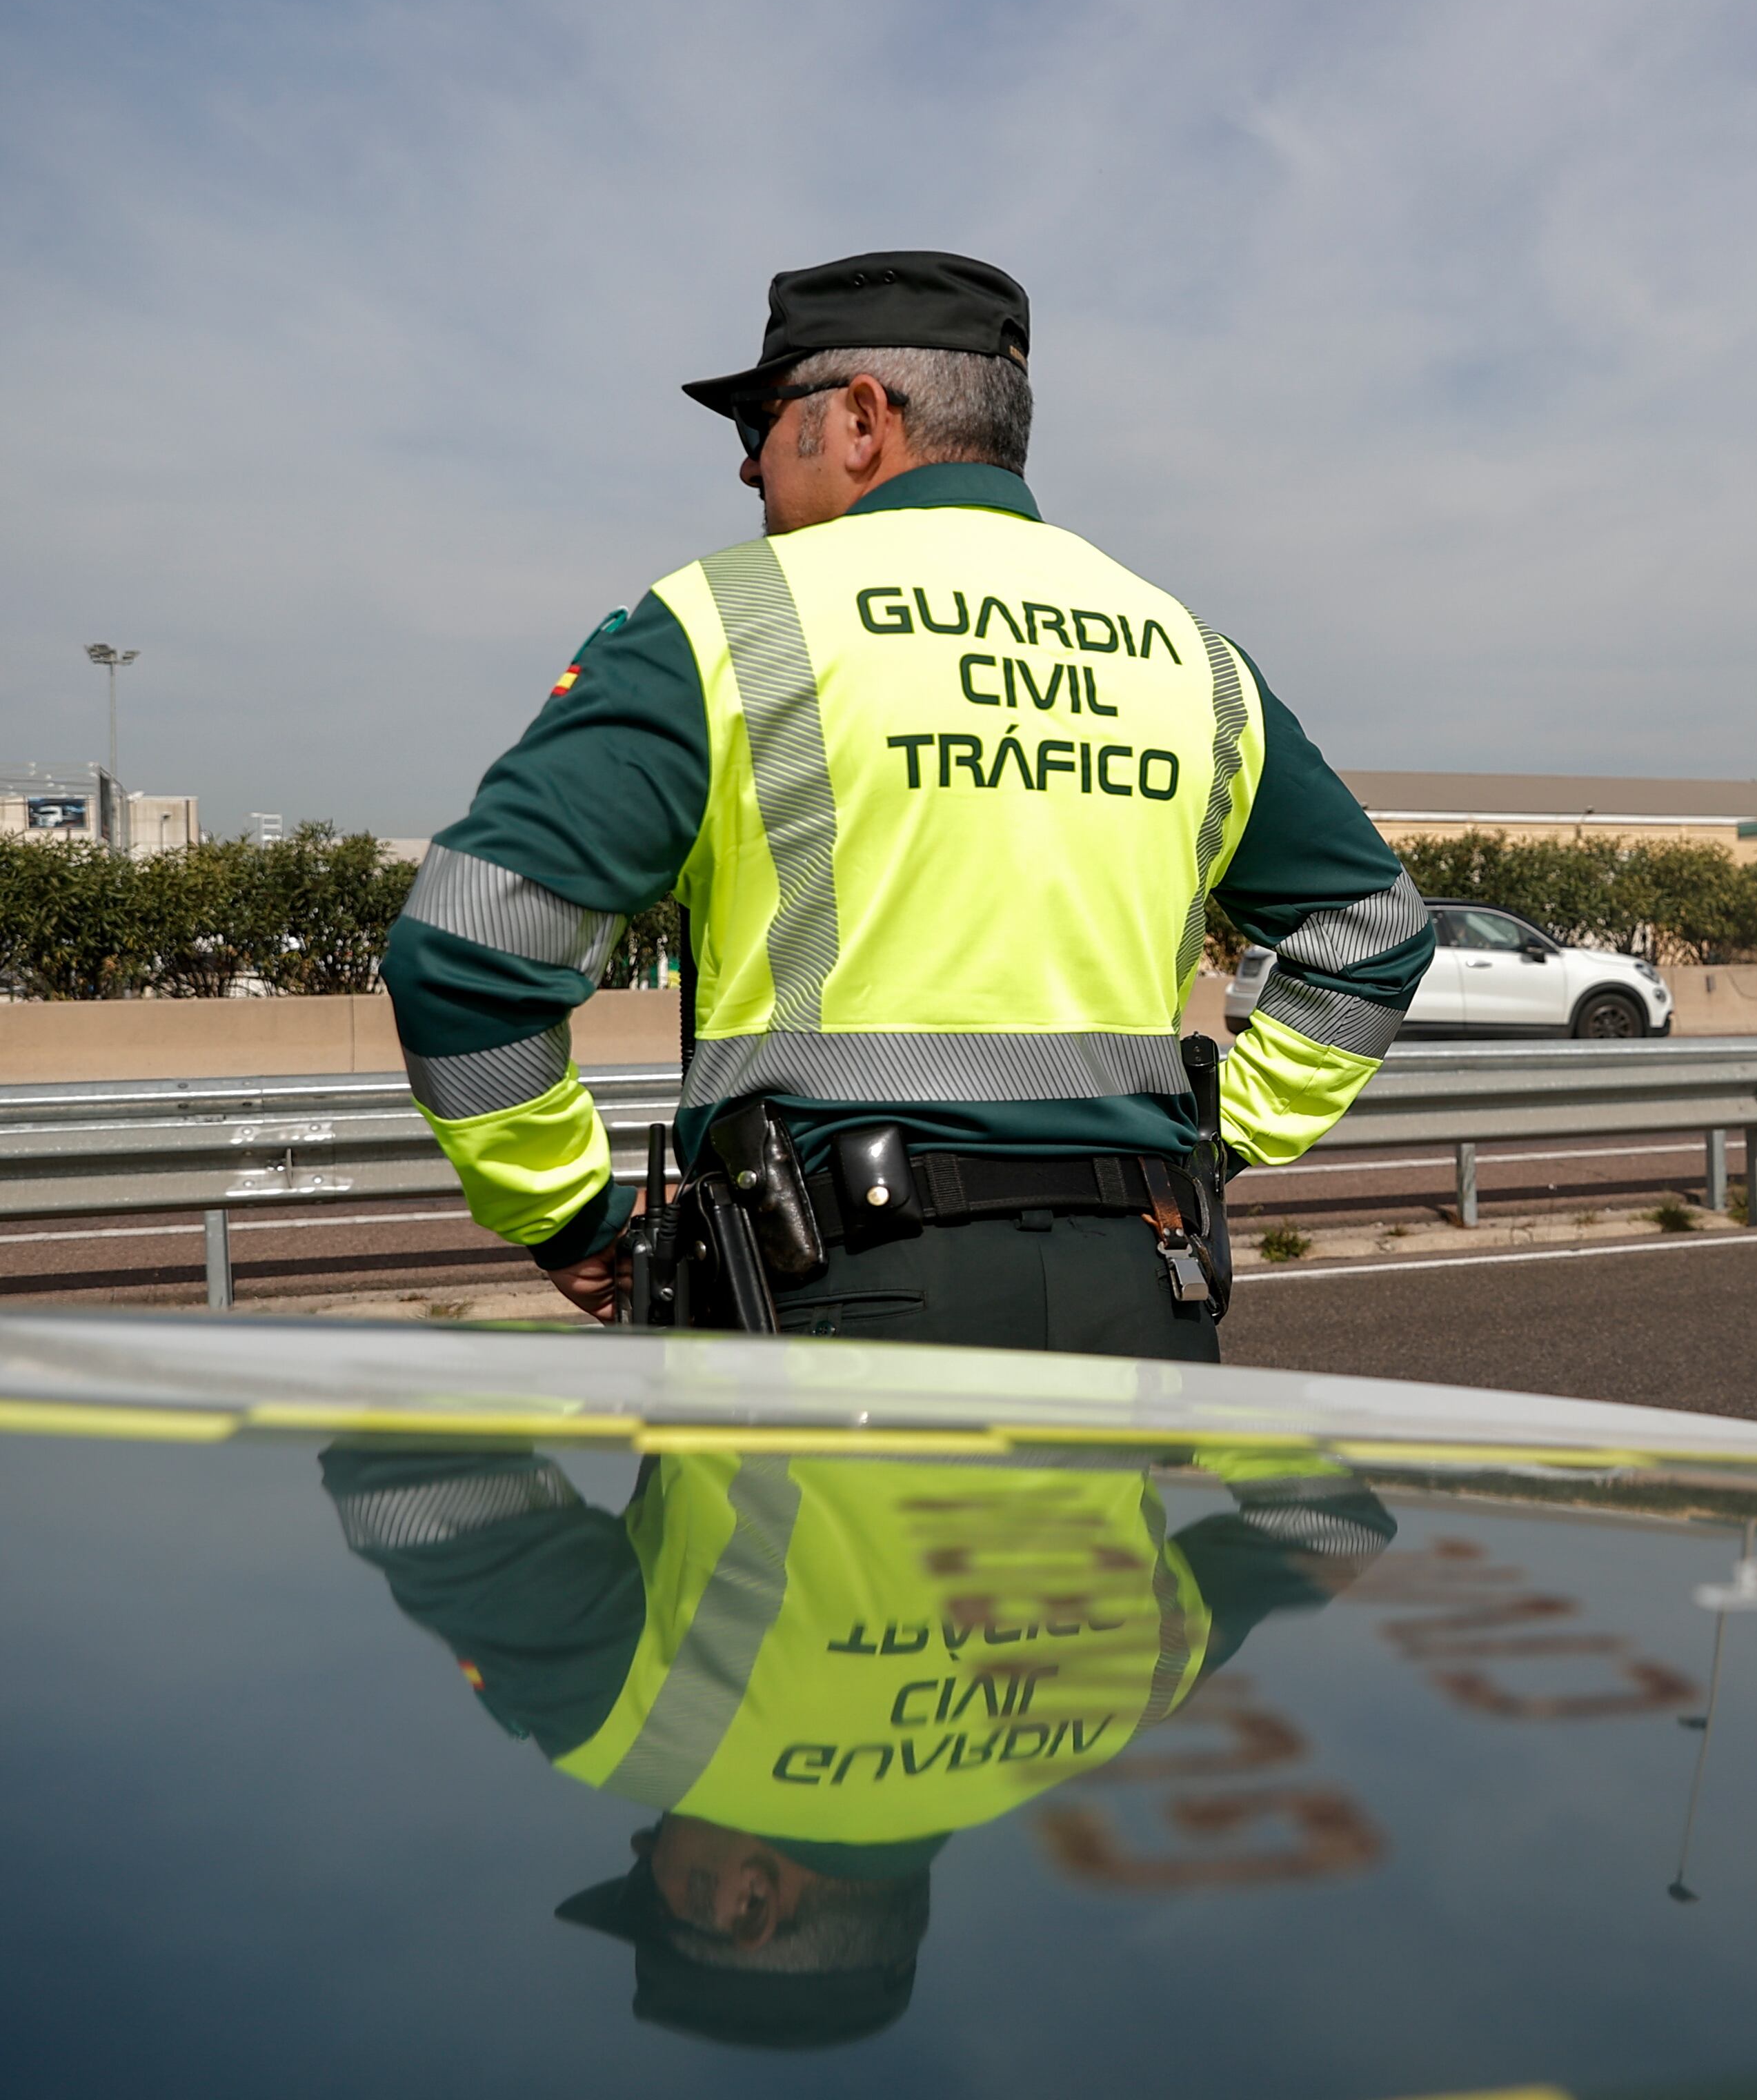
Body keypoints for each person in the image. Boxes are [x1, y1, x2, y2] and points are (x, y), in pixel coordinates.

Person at [381, 251, 1429, 1351]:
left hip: (835, 1301)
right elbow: (1375, 938)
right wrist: (1209, 1145)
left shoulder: (726, 623)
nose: (747, 473)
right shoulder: (1191, 658)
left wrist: (570, 1218)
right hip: (1143, 1291)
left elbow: (468, 946)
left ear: (862, 419)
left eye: (759, 423)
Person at [323, 1438, 1392, 2046]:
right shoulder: (633, 1729)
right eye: (654, 1889)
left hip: (1098, 1206)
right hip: (782, 1199)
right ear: (749, 1904)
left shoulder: (1111, 1710)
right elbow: (403, 1468)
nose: (644, 1851)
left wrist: (1157, 1390)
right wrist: (645, 1342)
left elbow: (1340, 1531)